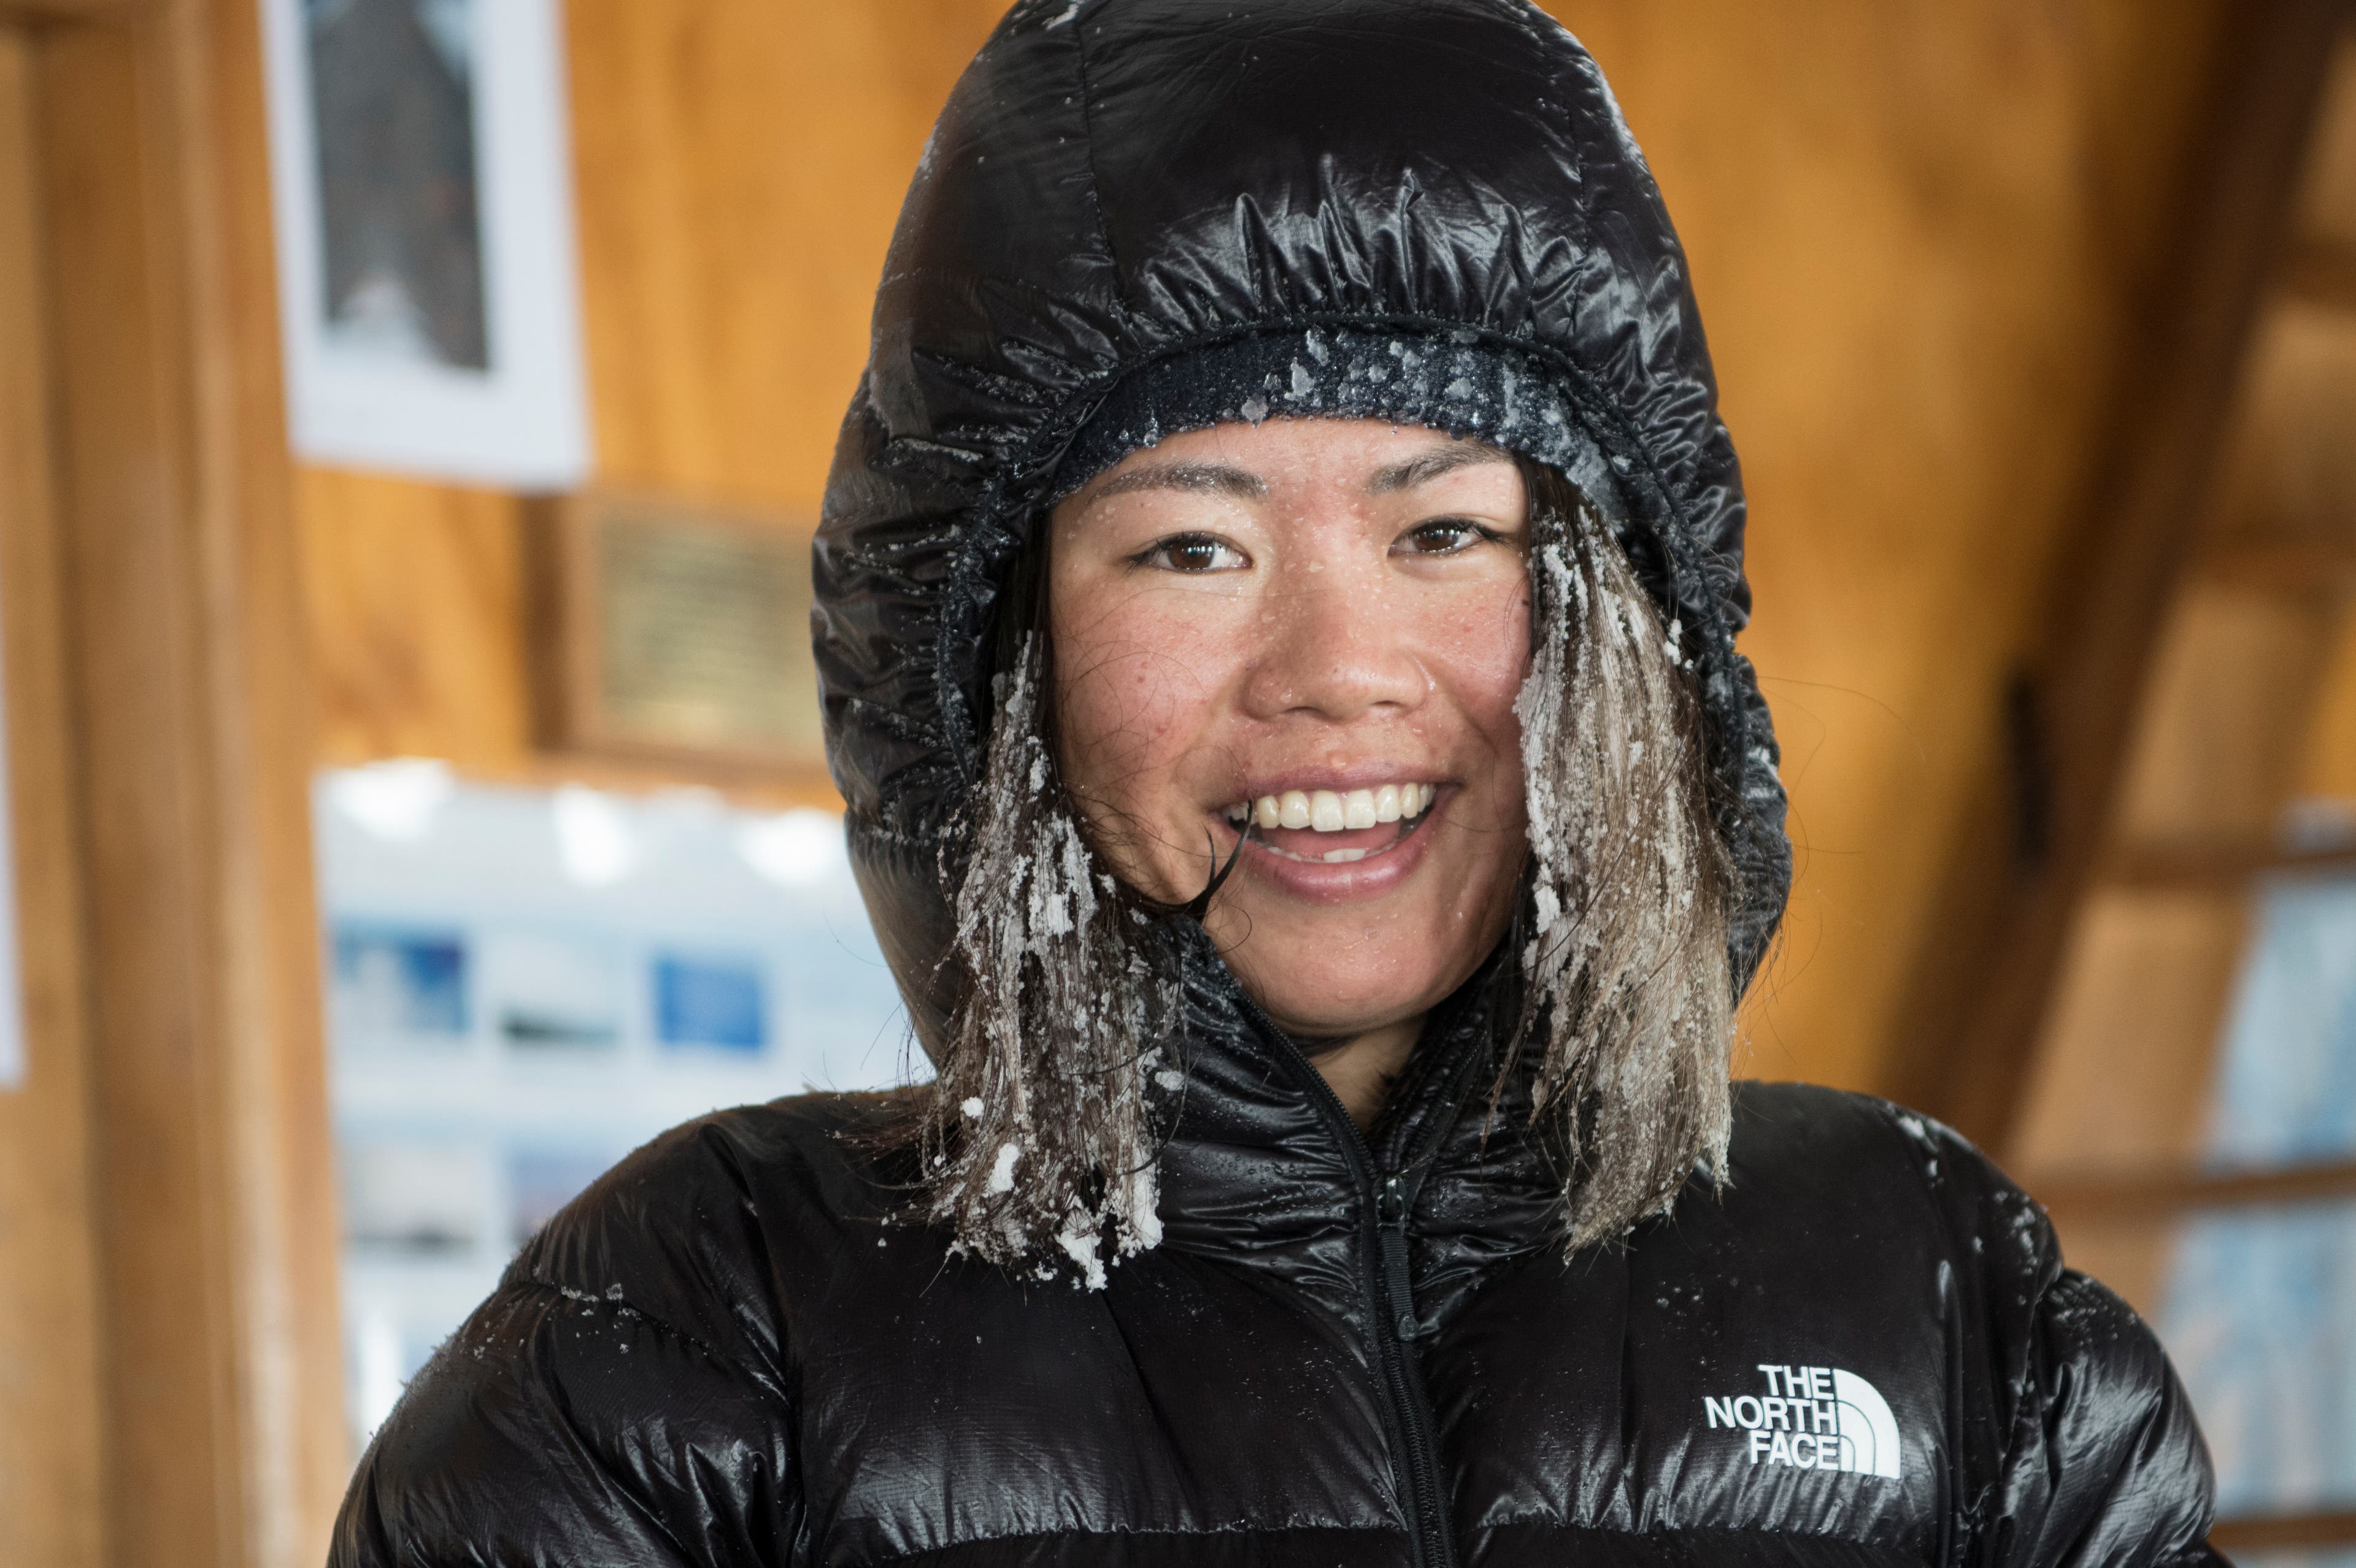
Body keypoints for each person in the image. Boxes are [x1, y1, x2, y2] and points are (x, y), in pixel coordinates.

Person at [331, 2, 2224, 1564]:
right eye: (1187, 548)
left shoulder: (1944, 1301)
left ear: (1626, 619)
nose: (1335, 671)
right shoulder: (707, 1330)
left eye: (1449, 531)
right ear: (998, 658)